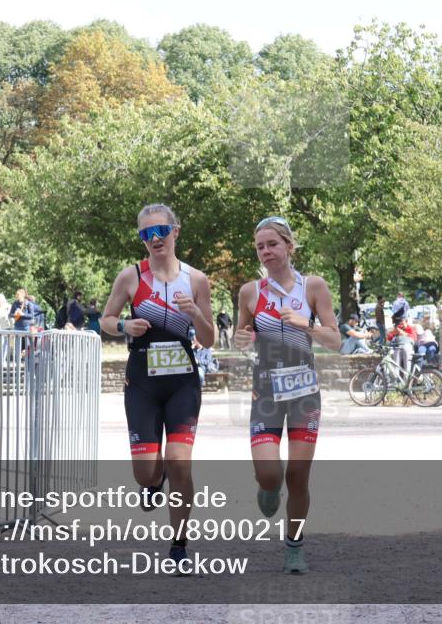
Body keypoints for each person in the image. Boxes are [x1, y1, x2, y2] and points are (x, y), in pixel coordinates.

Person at [100, 203, 215, 572]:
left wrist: (195, 314)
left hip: (182, 382)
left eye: (160, 231)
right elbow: (106, 319)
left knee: (181, 462)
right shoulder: (130, 277)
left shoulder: (196, 280)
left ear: (175, 231)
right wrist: (124, 327)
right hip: (143, 384)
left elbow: (209, 339)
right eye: (146, 234)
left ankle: (179, 545)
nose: (154, 239)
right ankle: (154, 479)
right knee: (145, 473)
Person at [234, 215, 340, 575]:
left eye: (272, 244)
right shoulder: (250, 292)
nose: (265, 251)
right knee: (269, 474)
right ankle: (267, 489)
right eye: (260, 246)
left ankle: (294, 546)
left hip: (303, 392)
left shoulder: (313, 286)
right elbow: (241, 335)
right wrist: (242, 338)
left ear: (289, 246)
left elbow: (335, 340)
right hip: (265, 389)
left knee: (297, 475)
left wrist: (304, 324)